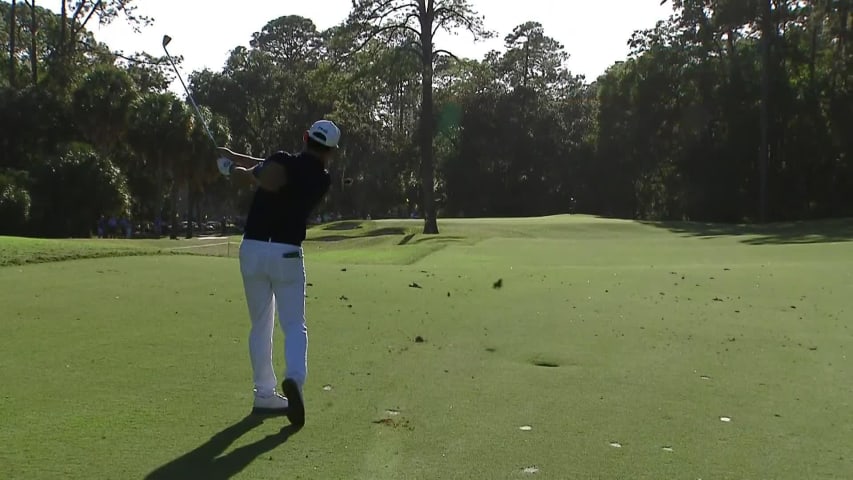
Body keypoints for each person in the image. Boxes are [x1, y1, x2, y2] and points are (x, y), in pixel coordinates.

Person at [215, 120, 339, 429]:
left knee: (261, 324)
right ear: (331, 153)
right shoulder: (322, 179)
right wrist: (235, 156)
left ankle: (264, 394)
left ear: (305, 136)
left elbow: (262, 177)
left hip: (254, 249)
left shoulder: (283, 160)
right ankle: (294, 379)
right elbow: (266, 167)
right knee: (294, 324)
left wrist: (229, 168)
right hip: (286, 254)